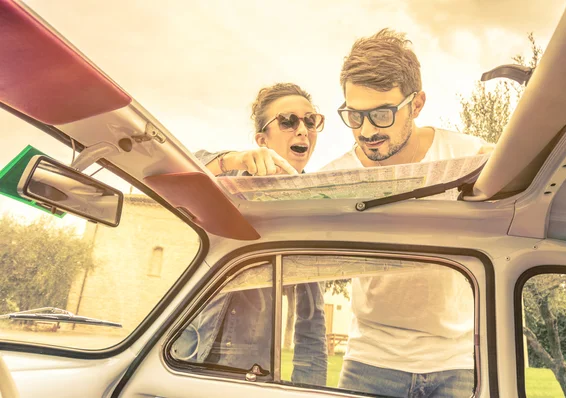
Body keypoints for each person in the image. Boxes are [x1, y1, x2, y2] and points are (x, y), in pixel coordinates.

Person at [321, 29, 489, 397]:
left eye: (381, 114)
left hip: (457, 361)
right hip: (370, 358)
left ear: (416, 104)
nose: (366, 131)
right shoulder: (335, 179)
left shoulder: (468, 155)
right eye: (354, 115)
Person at [172, 83, 328, 385]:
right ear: (261, 139)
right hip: (185, 357)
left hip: (248, 373)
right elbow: (174, 164)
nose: (302, 130)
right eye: (287, 121)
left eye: (311, 121)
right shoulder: (228, 179)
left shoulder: (313, 208)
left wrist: (311, 386)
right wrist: (233, 159)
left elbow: (311, 318)